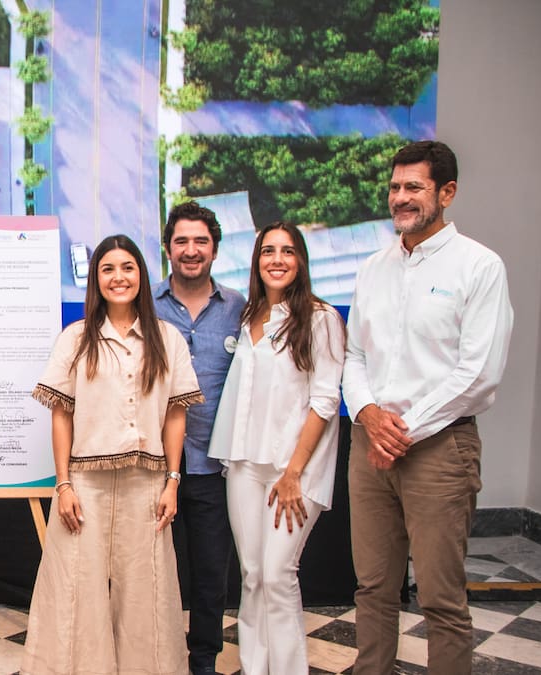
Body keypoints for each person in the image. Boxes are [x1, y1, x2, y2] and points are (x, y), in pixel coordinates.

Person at [343, 141, 513, 675]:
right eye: (395, 187)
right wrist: (369, 416)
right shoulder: (373, 267)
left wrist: (402, 431)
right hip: (370, 445)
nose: (400, 197)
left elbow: (479, 373)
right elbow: (353, 355)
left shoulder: (479, 267)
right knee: (373, 588)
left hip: (439, 448)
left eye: (413, 187)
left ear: (447, 192)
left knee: (441, 599)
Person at [23, 234, 202, 675]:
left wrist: (172, 481)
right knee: (73, 589)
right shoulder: (76, 338)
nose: (118, 277)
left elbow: (175, 415)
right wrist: (63, 485)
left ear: (141, 274)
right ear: (95, 279)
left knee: (149, 593)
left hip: (148, 483)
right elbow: (61, 415)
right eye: (107, 269)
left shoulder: (167, 339)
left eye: (127, 267)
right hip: (85, 485)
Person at [208, 222, 345, 674]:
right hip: (244, 464)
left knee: (278, 574)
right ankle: (256, 667)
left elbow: (325, 401)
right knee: (252, 575)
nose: (277, 259)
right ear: (257, 261)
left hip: (293, 470)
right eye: (268, 251)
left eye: (287, 251)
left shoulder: (321, 319)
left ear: (301, 260)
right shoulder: (249, 316)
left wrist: (293, 473)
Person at [152, 201, 245, 674]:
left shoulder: (240, 309)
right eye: (182, 241)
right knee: (152, 572)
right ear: (167, 248)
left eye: (201, 241)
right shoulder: (145, 305)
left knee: (211, 573)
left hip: (214, 463)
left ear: (215, 249)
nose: (191, 250)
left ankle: (203, 659)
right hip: (152, 465)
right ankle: (156, 655)